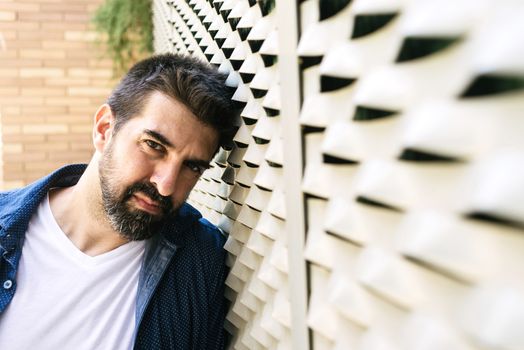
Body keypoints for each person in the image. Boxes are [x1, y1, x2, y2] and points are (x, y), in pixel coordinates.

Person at [0, 53, 236, 349]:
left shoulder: (199, 259)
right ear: (104, 129)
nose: (165, 186)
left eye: (192, 166)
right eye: (154, 146)